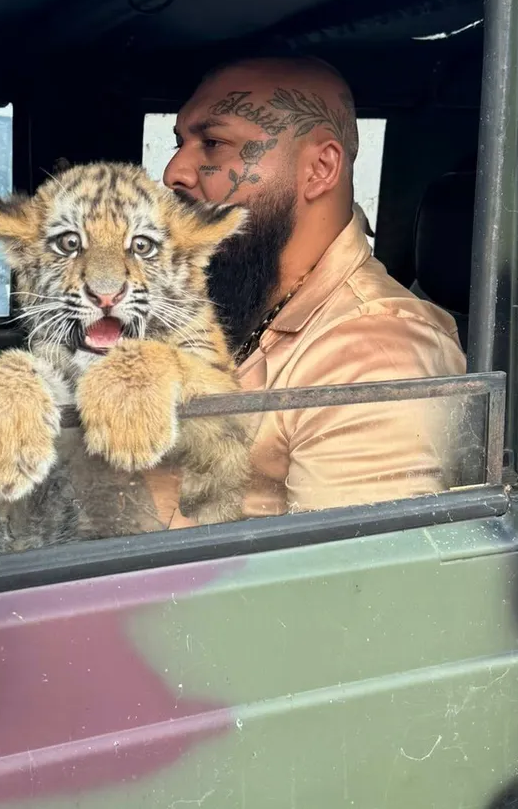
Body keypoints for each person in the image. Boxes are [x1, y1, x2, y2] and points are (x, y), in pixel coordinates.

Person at [159, 54, 467, 523]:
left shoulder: (376, 354)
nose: (174, 171)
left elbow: (349, 585)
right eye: (179, 143)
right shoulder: (232, 293)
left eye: (214, 143)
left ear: (320, 168)